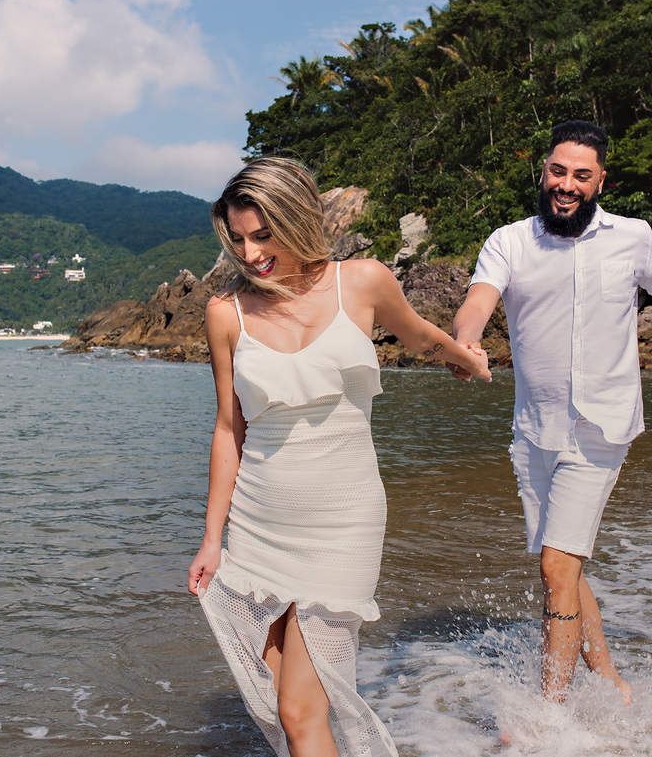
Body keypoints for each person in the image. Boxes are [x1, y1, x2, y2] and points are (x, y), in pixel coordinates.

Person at [189, 157, 491, 756]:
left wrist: (462, 355)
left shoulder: (364, 281)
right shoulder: (226, 313)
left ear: (297, 217)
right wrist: (211, 536)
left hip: (343, 519)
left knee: (300, 709)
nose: (251, 254)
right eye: (240, 239)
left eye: (264, 234)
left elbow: (417, 333)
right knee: (285, 704)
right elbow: (229, 428)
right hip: (259, 520)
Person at [450, 120, 652, 704]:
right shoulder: (509, 241)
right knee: (563, 558)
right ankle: (607, 674)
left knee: (556, 569)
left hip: (602, 427)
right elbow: (476, 303)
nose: (567, 184)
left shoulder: (633, 238)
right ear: (543, 173)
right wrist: (467, 344)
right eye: (558, 172)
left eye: (581, 175)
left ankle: (550, 712)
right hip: (534, 431)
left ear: (600, 181)